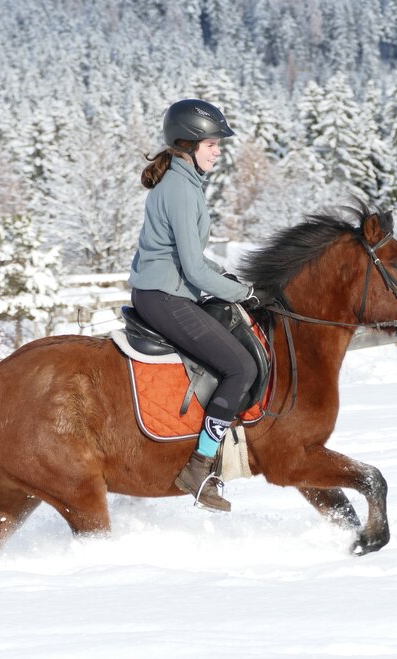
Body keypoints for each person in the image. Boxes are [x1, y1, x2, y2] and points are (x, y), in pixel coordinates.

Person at [128, 98, 272, 512]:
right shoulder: (180, 190)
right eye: (212, 143)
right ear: (189, 143)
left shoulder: (183, 183)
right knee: (240, 367)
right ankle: (200, 466)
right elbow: (192, 268)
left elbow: (190, 257)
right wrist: (244, 294)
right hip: (164, 297)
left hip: (165, 290)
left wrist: (229, 280)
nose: (218, 150)